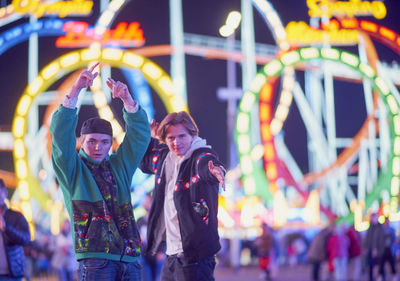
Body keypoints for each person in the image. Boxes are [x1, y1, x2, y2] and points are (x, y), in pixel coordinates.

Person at [50, 63, 151, 281]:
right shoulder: (72, 169)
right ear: (81, 142)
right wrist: (75, 91)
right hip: (96, 259)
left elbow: (140, 137)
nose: (98, 147)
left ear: (111, 143)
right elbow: (60, 136)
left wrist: (127, 100)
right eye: (92, 141)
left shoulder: (119, 166)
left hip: (130, 258)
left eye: (105, 142)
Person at [139, 112, 226, 281]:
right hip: (171, 254)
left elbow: (206, 164)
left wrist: (216, 170)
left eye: (182, 136)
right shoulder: (166, 159)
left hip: (194, 257)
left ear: (193, 135)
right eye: (170, 138)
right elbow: (145, 163)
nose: (176, 142)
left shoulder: (199, 155)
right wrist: (150, 137)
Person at [0, 178, 31, 281]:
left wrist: (5, 228)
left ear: (5, 192)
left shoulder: (16, 216)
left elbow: (26, 238)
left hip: (11, 275)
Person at [363, 213, 383, 281]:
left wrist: (377, 249)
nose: (373, 219)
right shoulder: (370, 227)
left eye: (374, 218)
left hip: (378, 251)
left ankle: (380, 278)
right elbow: (368, 238)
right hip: (371, 250)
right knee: (371, 267)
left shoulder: (380, 227)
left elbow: (381, 240)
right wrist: (366, 247)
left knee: (379, 266)